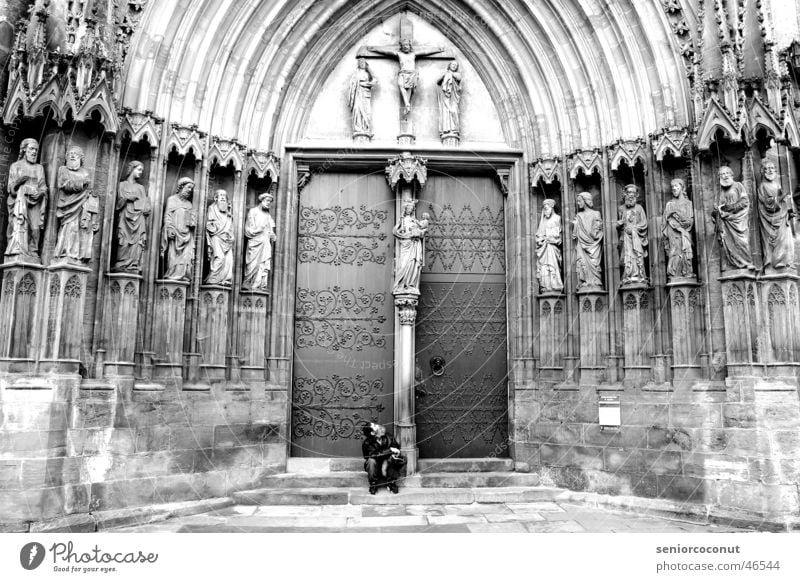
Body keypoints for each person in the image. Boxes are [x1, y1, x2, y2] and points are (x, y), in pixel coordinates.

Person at [6, 137, 47, 259]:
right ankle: (16, 250)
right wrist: (19, 182)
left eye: (36, 150)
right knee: (18, 224)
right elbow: (11, 190)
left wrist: (40, 193)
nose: (34, 152)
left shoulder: (39, 168)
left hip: (35, 203)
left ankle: (33, 251)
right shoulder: (16, 166)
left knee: (35, 229)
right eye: (31, 149)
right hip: (19, 202)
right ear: (24, 150)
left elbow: (43, 187)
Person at [54, 145, 97, 262]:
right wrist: (81, 184)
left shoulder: (85, 172)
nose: (72, 156)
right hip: (67, 205)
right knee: (69, 227)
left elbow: (88, 190)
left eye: (76, 154)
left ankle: (75, 253)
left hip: (81, 205)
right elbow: (63, 184)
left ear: (81, 158)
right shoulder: (63, 169)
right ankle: (64, 252)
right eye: (70, 154)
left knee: (77, 229)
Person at [712, 166, 754, 271]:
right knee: (727, 245)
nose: (725, 176)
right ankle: (732, 265)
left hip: (738, 220)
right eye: (722, 174)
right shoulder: (719, 191)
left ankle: (746, 263)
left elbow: (745, 202)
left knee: (742, 242)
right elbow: (716, 208)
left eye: (727, 173)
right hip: (725, 222)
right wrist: (716, 212)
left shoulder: (738, 186)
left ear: (731, 175)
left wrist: (729, 208)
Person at [113, 161, 151, 273]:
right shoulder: (122, 185)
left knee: (137, 243)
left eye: (142, 171)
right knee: (123, 241)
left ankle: (134, 264)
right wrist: (128, 198)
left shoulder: (141, 188)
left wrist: (146, 206)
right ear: (132, 169)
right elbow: (118, 204)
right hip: (125, 217)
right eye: (138, 169)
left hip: (139, 219)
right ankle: (122, 263)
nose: (140, 173)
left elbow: (145, 206)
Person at [757, 159, 795, 271]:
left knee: (787, 242)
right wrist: (781, 198)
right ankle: (777, 263)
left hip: (783, 218)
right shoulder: (763, 186)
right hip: (771, 221)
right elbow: (767, 203)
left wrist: (788, 212)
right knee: (779, 241)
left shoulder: (777, 185)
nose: (770, 170)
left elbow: (782, 202)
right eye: (767, 169)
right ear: (763, 172)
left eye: (772, 168)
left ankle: (786, 262)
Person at [161, 177, 197, 281]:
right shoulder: (172, 200)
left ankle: (183, 275)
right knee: (173, 257)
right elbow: (167, 216)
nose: (190, 190)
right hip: (175, 234)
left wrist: (192, 222)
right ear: (181, 187)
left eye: (191, 189)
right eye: (188, 187)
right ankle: (173, 275)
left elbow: (192, 220)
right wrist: (169, 229)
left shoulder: (189, 204)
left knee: (187, 257)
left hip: (187, 235)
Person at [243, 190, 277, 290]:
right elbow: (248, 230)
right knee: (252, 265)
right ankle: (249, 282)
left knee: (263, 264)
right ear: (261, 200)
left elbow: (271, 230)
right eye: (267, 201)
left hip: (265, 243)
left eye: (270, 202)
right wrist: (259, 229)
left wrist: (272, 235)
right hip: (255, 243)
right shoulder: (253, 212)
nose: (268, 204)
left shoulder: (268, 216)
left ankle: (259, 284)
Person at [662, 178, 695, 280]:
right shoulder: (669, 204)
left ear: (682, 187)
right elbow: (664, 222)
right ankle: (675, 273)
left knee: (686, 252)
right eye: (672, 187)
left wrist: (682, 223)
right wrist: (671, 220)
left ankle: (687, 272)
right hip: (673, 233)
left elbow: (690, 221)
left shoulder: (688, 203)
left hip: (684, 232)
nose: (674, 188)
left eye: (676, 186)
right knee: (674, 252)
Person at [392, 201, 428, 294]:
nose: (410, 210)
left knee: (413, 263)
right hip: (405, 243)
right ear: (405, 209)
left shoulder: (414, 220)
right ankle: (401, 285)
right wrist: (403, 235)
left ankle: (410, 284)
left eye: (411, 209)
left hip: (414, 244)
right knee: (404, 264)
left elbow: (422, 229)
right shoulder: (402, 219)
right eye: (408, 209)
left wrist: (420, 232)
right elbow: (396, 231)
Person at [616, 184, 648, 285]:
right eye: (629, 193)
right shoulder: (621, 209)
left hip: (636, 238)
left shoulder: (639, 208)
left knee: (637, 257)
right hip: (625, 239)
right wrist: (619, 225)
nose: (631, 195)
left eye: (633, 193)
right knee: (625, 258)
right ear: (625, 194)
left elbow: (644, 223)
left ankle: (639, 275)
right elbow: (620, 224)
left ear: (636, 195)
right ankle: (628, 276)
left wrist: (634, 229)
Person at [572, 191, 604, 290]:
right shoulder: (579, 216)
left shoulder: (596, 213)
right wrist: (575, 225)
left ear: (585, 200)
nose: (578, 203)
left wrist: (595, 233)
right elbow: (574, 235)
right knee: (582, 264)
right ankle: (585, 282)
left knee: (594, 263)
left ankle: (595, 282)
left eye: (579, 201)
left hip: (593, 245)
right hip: (581, 245)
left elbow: (597, 231)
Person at [361, 422, 403, 494]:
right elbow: (373, 455)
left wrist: (394, 453)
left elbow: (396, 447)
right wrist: (389, 450)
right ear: (372, 433)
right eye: (375, 426)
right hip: (375, 467)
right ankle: (373, 484)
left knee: (392, 458)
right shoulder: (367, 443)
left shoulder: (388, 436)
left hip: (388, 464)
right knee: (371, 461)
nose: (378, 425)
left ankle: (391, 482)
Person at [204, 189, 234, 285]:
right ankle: (212, 278)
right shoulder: (212, 208)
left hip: (227, 241)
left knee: (229, 261)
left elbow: (231, 228)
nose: (222, 198)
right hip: (216, 237)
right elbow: (209, 225)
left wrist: (231, 236)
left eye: (224, 196)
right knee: (219, 258)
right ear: (216, 198)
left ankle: (224, 279)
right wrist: (217, 229)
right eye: (220, 195)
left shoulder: (228, 213)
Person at [535, 199, 563, 292]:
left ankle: (555, 285)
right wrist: (540, 241)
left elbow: (559, 237)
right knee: (545, 267)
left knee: (553, 267)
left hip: (552, 247)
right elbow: (539, 235)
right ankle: (546, 286)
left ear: (551, 207)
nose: (545, 210)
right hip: (544, 248)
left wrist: (552, 239)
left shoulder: (557, 218)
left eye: (546, 208)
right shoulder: (543, 221)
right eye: (544, 208)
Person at [348, 58, 377, 137]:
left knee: (367, 111)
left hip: (365, 94)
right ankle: (358, 128)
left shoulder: (368, 74)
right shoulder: (356, 73)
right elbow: (352, 83)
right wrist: (358, 83)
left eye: (363, 62)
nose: (362, 63)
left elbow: (374, 81)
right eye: (360, 62)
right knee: (357, 109)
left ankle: (366, 128)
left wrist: (367, 84)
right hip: (357, 94)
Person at [437, 60, 462, 141]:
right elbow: (438, 81)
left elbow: (458, 78)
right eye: (452, 64)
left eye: (456, 65)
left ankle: (454, 129)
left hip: (453, 97)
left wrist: (450, 74)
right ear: (449, 65)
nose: (454, 66)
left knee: (454, 111)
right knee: (445, 111)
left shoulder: (456, 74)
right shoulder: (446, 73)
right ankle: (446, 130)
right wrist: (445, 74)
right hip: (445, 96)